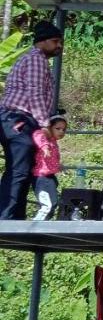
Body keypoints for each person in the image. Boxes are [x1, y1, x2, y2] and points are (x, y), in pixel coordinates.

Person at [0, 20, 61, 219]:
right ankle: (6, 217)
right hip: (19, 119)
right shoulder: (36, 59)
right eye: (55, 41)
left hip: (20, 119)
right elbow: (35, 94)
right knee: (18, 170)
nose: (58, 46)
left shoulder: (35, 59)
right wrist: (45, 124)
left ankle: (14, 217)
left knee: (23, 169)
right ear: (41, 42)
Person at [31, 115, 66, 220]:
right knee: (48, 204)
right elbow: (38, 135)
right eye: (58, 128)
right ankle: (36, 227)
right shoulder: (44, 138)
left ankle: (43, 225)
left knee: (54, 202)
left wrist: (58, 165)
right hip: (42, 177)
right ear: (49, 128)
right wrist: (44, 147)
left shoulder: (53, 141)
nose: (61, 132)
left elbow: (51, 159)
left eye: (64, 129)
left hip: (50, 177)